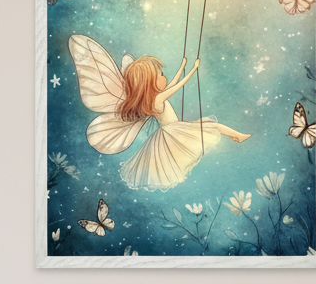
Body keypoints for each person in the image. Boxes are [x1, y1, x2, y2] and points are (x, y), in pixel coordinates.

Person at [69, 34, 250, 192]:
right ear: (150, 82)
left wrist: (183, 66)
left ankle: (238, 136)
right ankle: (239, 136)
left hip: (172, 130)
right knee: (212, 126)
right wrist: (193, 69)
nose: (164, 77)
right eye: (161, 75)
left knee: (205, 132)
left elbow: (172, 84)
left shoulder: (153, 98)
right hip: (173, 131)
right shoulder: (156, 100)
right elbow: (178, 86)